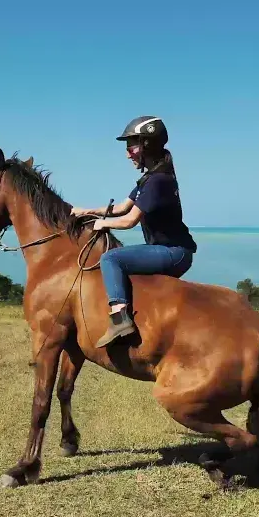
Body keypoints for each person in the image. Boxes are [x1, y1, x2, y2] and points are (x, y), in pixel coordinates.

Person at [71, 115, 197, 347]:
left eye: (131, 146)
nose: (128, 153)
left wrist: (103, 224)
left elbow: (129, 220)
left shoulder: (158, 181)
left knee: (111, 259)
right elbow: (121, 208)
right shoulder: (149, 180)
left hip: (173, 252)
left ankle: (120, 319)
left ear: (147, 145)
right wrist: (86, 212)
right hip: (170, 250)